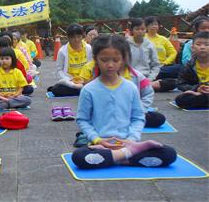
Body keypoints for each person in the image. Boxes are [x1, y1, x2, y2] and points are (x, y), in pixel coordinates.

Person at [71, 35, 177, 169]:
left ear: (123, 60)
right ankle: (127, 156)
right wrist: (97, 139)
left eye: (115, 60)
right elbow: (83, 119)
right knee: (79, 157)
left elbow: (138, 118)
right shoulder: (88, 90)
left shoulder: (130, 87)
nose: (110, 65)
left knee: (169, 154)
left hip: (128, 142)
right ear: (96, 59)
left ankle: (118, 156)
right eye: (104, 60)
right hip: (101, 145)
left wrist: (131, 140)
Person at [47, 24, 92, 97]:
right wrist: (68, 80)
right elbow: (59, 70)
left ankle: (82, 90)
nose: (76, 40)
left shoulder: (89, 48)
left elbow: (91, 66)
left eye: (79, 36)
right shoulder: (62, 51)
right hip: (71, 81)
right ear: (68, 37)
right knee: (57, 89)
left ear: (82, 36)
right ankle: (83, 91)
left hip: (85, 80)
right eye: (73, 37)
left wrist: (86, 80)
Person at [174, 31, 209, 109]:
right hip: (198, 94)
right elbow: (180, 84)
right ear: (192, 47)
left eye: (207, 44)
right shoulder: (189, 65)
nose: (202, 47)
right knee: (180, 100)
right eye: (198, 44)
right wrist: (196, 89)